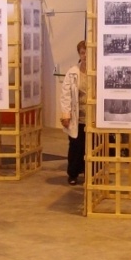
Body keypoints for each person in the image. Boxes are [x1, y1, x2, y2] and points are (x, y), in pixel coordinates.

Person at [59, 40, 87, 185]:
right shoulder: (72, 72)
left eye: (88, 52)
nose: (85, 55)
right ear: (79, 54)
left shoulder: (98, 71)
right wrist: (66, 115)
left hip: (93, 117)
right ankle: (73, 173)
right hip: (78, 116)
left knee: (93, 146)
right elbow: (65, 95)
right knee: (76, 145)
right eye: (83, 52)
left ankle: (93, 173)